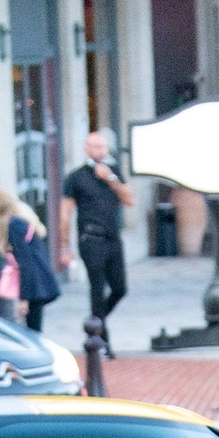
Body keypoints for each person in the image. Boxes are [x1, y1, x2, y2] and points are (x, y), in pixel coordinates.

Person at [58, 130, 135, 351]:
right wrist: (65, 246)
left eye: (103, 147)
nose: (101, 151)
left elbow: (129, 199)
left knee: (120, 288)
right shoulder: (76, 177)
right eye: (96, 147)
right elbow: (65, 213)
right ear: (87, 149)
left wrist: (111, 179)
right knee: (97, 288)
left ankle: (95, 323)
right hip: (91, 238)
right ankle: (103, 342)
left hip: (113, 238)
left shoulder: (114, 172)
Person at [0, 188, 61, 331]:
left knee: (33, 332)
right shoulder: (19, 223)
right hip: (37, 282)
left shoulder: (14, 225)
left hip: (33, 285)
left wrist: (24, 299)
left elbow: (25, 263)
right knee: (33, 329)